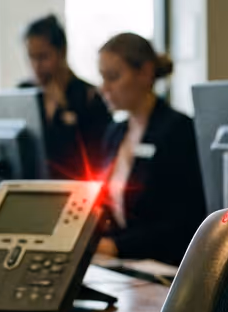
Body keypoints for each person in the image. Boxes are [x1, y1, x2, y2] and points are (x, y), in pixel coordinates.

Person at [94, 33, 207, 266]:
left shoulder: (178, 131)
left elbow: (184, 222)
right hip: (119, 263)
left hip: (163, 266)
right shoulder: (114, 133)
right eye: (102, 78)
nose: (104, 87)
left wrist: (117, 247)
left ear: (145, 73)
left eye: (113, 77)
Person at [19, 14, 113, 180]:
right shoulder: (23, 93)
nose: (36, 66)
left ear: (62, 51)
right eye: (31, 57)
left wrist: (65, 109)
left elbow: (99, 157)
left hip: (73, 186)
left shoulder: (89, 96)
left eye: (43, 57)